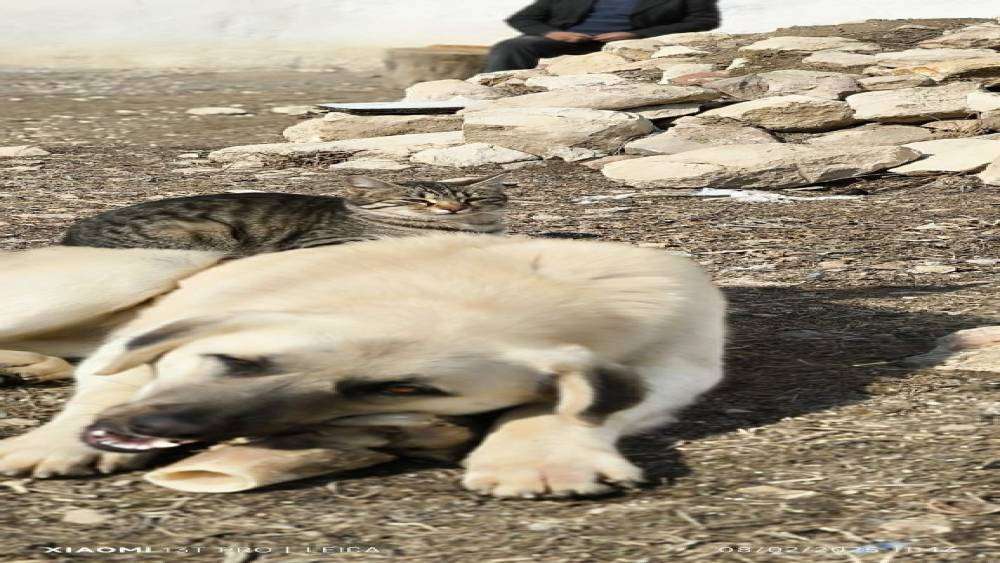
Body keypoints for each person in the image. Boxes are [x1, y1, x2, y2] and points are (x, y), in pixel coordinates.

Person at [484, 0, 721, 72]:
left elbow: (704, 21)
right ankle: (487, 93)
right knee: (512, 47)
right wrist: (555, 33)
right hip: (571, 41)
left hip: (631, 44)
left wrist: (634, 35)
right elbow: (523, 18)